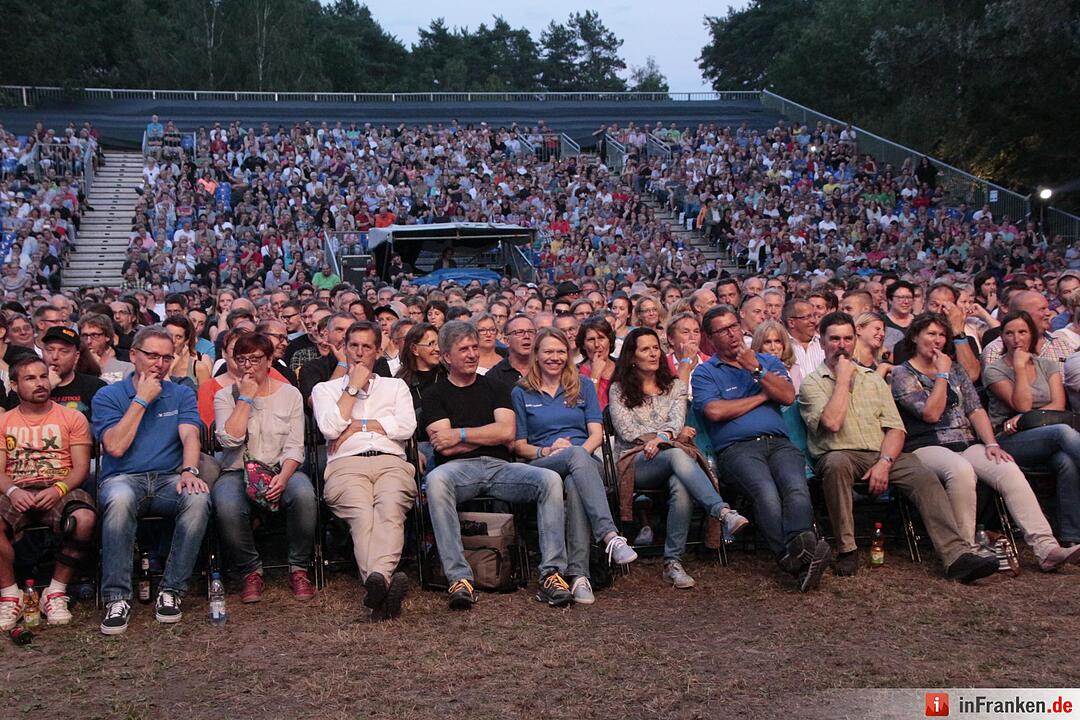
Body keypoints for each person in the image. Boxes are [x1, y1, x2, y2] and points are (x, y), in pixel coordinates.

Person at [798, 311, 998, 581]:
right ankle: (847, 549)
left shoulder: (872, 380)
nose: (841, 345)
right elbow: (832, 423)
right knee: (835, 465)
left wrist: (884, 463)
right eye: (834, 339)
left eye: (847, 338)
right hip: (839, 452)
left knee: (923, 476)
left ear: (855, 340)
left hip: (883, 454)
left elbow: (895, 428)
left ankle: (956, 556)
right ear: (821, 342)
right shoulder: (812, 383)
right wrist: (843, 379)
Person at [891, 314, 1080, 571]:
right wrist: (942, 375)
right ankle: (965, 551)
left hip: (966, 442)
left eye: (941, 335)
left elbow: (975, 410)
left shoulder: (956, 370)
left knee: (1007, 468)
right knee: (960, 470)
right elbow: (931, 414)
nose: (937, 340)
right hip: (926, 445)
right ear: (915, 337)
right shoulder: (903, 373)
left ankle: (1046, 548)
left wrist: (992, 444)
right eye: (930, 334)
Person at [422, 321, 572, 610]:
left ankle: (551, 574)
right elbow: (442, 444)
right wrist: (484, 435)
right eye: (463, 349)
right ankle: (458, 578)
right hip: (457, 471)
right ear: (446, 357)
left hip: (501, 467)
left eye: (474, 347)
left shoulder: (496, 386)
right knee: (437, 481)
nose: (471, 354)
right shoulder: (434, 394)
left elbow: (506, 433)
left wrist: (461, 433)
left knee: (549, 479)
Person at [694, 307, 830, 591]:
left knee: (795, 487)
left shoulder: (767, 362)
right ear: (710, 338)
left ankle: (797, 559)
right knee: (766, 493)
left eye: (734, 326)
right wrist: (760, 398)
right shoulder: (705, 372)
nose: (732, 334)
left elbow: (787, 395)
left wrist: (756, 370)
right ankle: (794, 557)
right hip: (737, 449)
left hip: (779, 443)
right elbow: (715, 411)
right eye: (723, 330)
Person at [608, 327, 749, 589]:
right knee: (675, 455)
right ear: (631, 357)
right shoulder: (618, 390)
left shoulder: (674, 386)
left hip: (669, 453)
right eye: (645, 349)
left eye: (655, 348)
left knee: (680, 483)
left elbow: (676, 420)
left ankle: (672, 562)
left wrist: (661, 439)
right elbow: (626, 430)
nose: (653, 353)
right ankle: (722, 511)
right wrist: (662, 439)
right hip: (633, 460)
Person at [93, 326, 211, 634]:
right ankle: (117, 597)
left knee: (197, 499)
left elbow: (190, 435)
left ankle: (171, 590)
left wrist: (189, 471)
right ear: (133, 355)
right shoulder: (107, 395)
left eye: (167, 357)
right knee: (119, 500)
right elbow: (115, 446)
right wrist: (141, 400)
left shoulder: (182, 393)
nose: (159, 364)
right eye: (152, 356)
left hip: (168, 478)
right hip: (123, 478)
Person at [511, 327, 637, 604]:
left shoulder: (582, 385)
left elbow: (595, 434)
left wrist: (578, 454)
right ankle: (609, 535)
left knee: (576, 479)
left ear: (567, 355)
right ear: (536, 355)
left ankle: (579, 577)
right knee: (576, 461)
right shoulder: (521, 392)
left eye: (560, 352)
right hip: (544, 462)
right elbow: (519, 445)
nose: (554, 357)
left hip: (585, 459)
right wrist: (548, 449)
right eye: (548, 352)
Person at [313, 321, 417, 620]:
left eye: (366, 347)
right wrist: (353, 386)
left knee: (390, 507)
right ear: (344, 348)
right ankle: (383, 582)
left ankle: (377, 584)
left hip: (390, 462)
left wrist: (361, 425)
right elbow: (331, 428)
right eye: (353, 346)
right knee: (362, 515)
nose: (359, 353)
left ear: (378, 351)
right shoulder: (325, 390)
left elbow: (407, 427)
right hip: (346, 466)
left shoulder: (395, 386)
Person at [212, 333, 317, 603]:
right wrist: (245, 399)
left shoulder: (290, 394)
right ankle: (250, 571)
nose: (248, 366)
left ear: (269, 360)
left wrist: (283, 478)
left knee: (304, 495)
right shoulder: (225, 396)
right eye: (242, 359)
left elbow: (295, 446)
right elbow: (229, 439)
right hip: (237, 471)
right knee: (226, 503)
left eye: (255, 359)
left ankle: (299, 567)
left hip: (281, 468)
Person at [0, 356, 95, 629]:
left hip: (60, 486)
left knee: (85, 519)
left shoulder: (72, 417)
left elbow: (80, 468)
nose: (40, 383)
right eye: (30, 378)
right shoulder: (3, 422)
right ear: (14, 385)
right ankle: (10, 595)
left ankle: (55, 591)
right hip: (16, 488)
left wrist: (59, 489)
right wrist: (14, 491)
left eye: (43, 376)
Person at [984, 311, 1080, 548]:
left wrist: (1027, 417)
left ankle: (1071, 536)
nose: (1016, 338)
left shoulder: (1048, 365)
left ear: (1032, 334)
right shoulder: (994, 370)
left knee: (1065, 461)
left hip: (1047, 432)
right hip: (1008, 439)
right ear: (1002, 337)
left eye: (1022, 332)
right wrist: (1019, 368)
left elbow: (1058, 405)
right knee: (1063, 433)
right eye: (1009, 333)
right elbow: (1023, 404)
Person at [40, 326, 106, 421]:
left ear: (76, 356)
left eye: (63, 351)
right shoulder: (28, 384)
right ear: (42, 352)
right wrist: (46, 387)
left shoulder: (95, 387)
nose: (54, 356)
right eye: (50, 350)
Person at [79, 313, 134, 383]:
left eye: (95, 335)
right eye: (84, 336)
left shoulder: (126, 364)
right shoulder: (76, 364)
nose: (88, 341)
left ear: (107, 336)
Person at [485, 314, 534, 390]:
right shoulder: (494, 376)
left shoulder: (545, 369)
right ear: (506, 341)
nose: (527, 336)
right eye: (519, 332)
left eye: (531, 332)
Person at [751, 320, 802, 392]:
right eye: (767, 342)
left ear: (784, 344)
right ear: (758, 345)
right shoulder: (753, 369)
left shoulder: (794, 368)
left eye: (777, 341)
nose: (773, 347)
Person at [577, 316, 616, 409]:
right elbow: (582, 406)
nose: (597, 345)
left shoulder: (624, 368)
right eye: (591, 340)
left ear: (610, 341)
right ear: (583, 345)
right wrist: (595, 376)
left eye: (601, 338)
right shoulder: (575, 373)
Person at [852, 312, 893, 379]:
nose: (882, 334)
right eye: (877, 329)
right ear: (859, 329)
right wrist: (883, 368)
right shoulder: (848, 362)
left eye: (883, 331)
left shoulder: (880, 363)